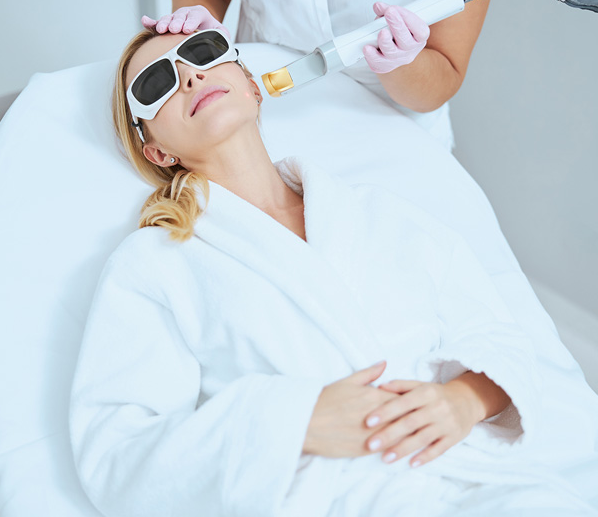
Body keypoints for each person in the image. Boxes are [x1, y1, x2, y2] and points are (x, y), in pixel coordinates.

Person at [68, 28, 598, 517]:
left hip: (483, 486)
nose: (189, 74)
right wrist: (294, 423)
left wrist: (463, 400)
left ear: (252, 86)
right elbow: (118, 453)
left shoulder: (381, 214)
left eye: (203, 52)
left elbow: (496, 334)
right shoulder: (154, 264)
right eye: (156, 81)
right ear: (155, 148)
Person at [142, 0, 524, 152]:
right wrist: (199, 34)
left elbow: (444, 72)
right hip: (260, 107)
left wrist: (400, 62)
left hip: (390, 128)